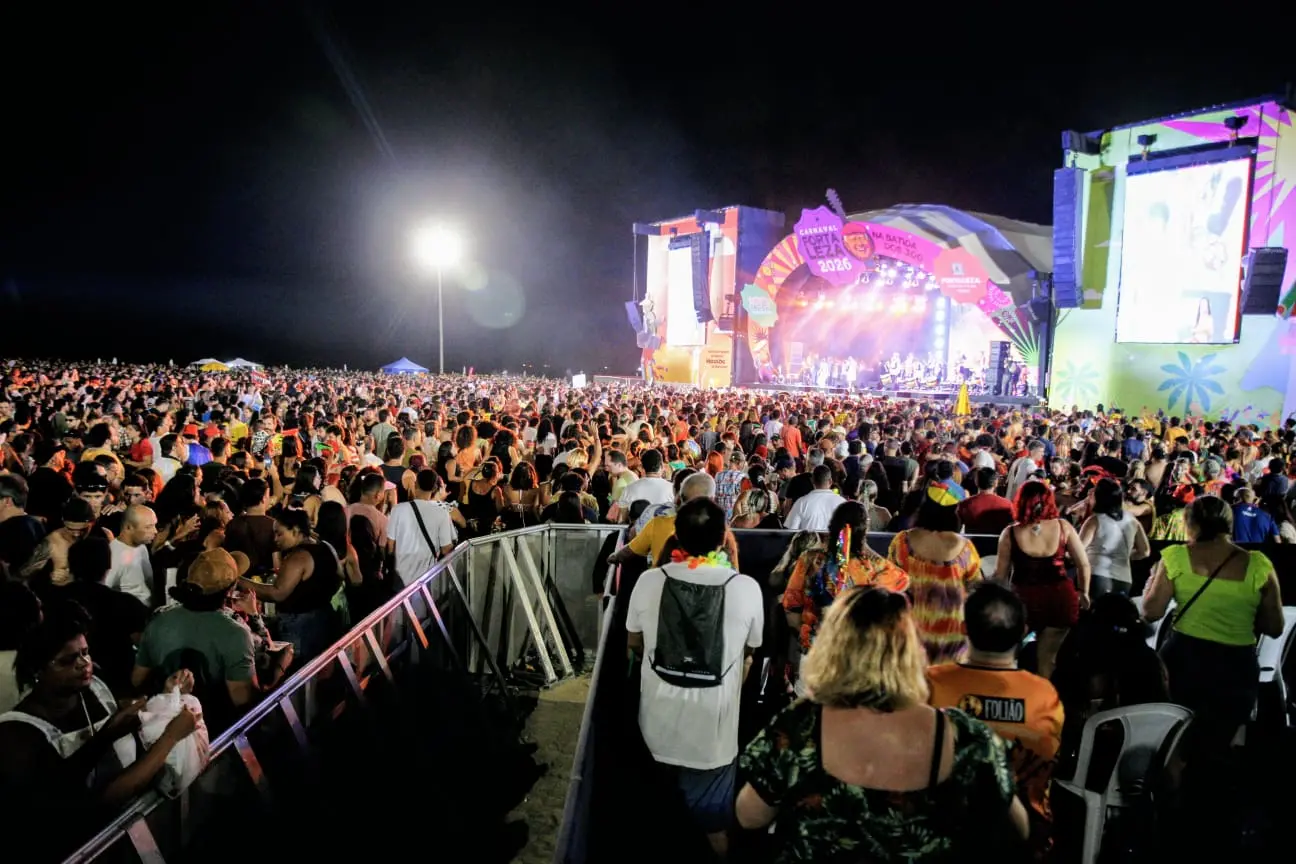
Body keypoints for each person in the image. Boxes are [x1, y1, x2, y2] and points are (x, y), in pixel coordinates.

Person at [737, 587, 1029, 862]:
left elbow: (749, 815)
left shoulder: (799, 723)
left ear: (832, 649)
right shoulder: (966, 736)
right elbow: (1018, 829)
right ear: (911, 650)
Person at [0, 607, 198, 859]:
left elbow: (129, 727)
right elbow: (84, 801)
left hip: (131, 824)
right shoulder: (17, 734)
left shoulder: (95, 689)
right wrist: (170, 737)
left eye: (85, 653)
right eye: (68, 660)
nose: (84, 664)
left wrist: (167, 698)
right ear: (38, 671)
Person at [626, 498, 764, 859]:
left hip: (654, 727)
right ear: (723, 539)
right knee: (715, 828)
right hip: (713, 734)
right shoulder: (746, 587)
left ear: (676, 535)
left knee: (652, 822)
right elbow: (751, 650)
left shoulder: (648, 581)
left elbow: (633, 641)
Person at [1142, 496, 1285, 757]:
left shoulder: (1175, 557)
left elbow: (1151, 612)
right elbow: (1275, 626)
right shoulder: (1258, 564)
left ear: (1190, 523)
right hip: (1236, 666)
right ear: (1228, 524)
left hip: (1185, 661)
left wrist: (1151, 585)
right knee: (1217, 747)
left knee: (1177, 745)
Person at [928, 582, 1063, 854]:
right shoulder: (1044, 694)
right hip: (1023, 837)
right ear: (1023, 632)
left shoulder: (929, 684)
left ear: (964, 629)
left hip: (941, 832)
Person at [782, 501, 908, 694]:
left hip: (817, 652)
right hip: (859, 657)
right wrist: (864, 547)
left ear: (832, 526)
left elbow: (791, 605)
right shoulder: (872, 568)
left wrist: (806, 634)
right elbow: (903, 580)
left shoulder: (810, 559)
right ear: (863, 531)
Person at [995, 481, 1091, 679]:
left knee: (1008, 654)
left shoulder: (1010, 533)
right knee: (1047, 659)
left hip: (1023, 600)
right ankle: (1044, 703)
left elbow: (1001, 575)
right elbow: (1084, 564)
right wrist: (1084, 592)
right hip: (1059, 598)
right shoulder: (1064, 527)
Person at [1079, 478, 1150, 598]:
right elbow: (1145, 551)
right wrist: (1125, 555)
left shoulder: (1095, 520)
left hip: (1097, 575)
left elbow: (1079, 550)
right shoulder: (1132, 520)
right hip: (1124, 579)